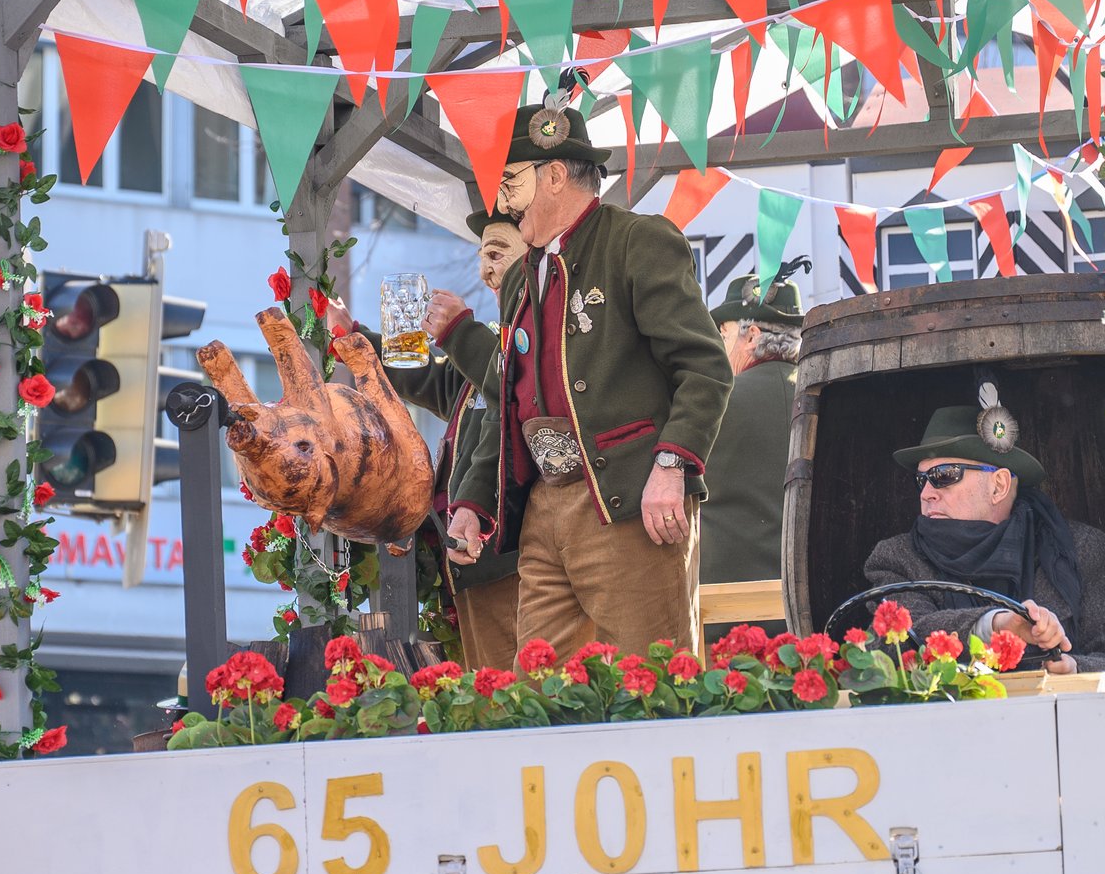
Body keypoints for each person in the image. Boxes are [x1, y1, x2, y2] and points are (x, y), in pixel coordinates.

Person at [445, 99, 732, 659]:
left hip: (628, 500)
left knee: (651, 682)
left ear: (554, 176)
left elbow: (705, 366)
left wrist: (671, 467)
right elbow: (508, 401)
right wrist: (474, 501)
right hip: (544, 507)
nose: (500, 199)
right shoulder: (519, 280)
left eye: (510, 181)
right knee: (542, 690)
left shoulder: (636, 241)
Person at [329, 211, 523, 669]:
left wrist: (461, 333)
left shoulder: (519, 345)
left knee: (509, 678)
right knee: (485, 672)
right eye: (482, 255)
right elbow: (426, 380)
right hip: (468, 551)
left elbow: (514, 394)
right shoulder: (495, 343)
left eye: (498, 254)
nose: (485, 271)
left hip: (507, 551)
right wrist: (352, 335)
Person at [863, 403, 1105, 685]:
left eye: (944, 475)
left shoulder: (1082, 550)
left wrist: (1074, 671)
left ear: (998, 486)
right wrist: (994, 624)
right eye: (921, 480)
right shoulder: (896, 559)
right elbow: (896, 644)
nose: (926, 493)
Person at [699, 261, 806, 591]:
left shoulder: (709, 401)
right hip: (812, 598)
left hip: (725, 600)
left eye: (724, 333)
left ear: (752, 336)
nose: (719, 344)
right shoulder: (828, 397)